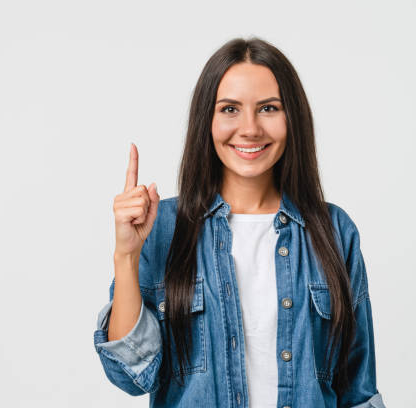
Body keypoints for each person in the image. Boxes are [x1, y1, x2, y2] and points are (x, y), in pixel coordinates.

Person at [92, 37, 386, 408]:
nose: (249, 129)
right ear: (207, 120)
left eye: (268, 108)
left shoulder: (334, 231)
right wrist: (126, 256)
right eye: (230, 109)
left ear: (291, 117)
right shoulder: (163, 226)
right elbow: (133, 375)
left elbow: (358, 391)